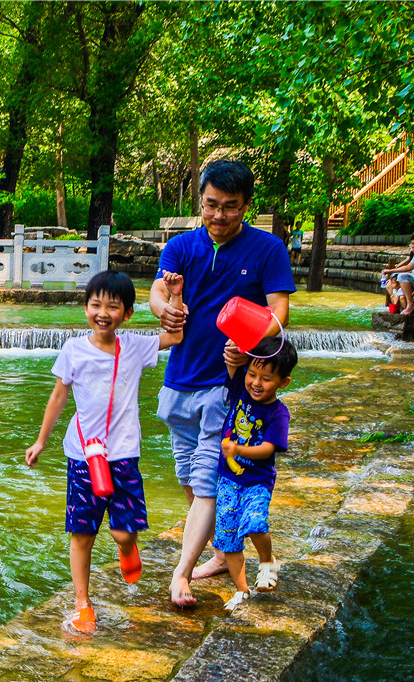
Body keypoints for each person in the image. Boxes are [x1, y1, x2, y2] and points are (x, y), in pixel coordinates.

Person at [150, 160, 295, 609]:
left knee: (208, 480)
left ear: (246, 205)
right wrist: (164, 310)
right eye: (211, 205)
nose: (219, 215)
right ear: (201, 201)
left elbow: (279, 313)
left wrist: (249, 342)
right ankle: (220, 552)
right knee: (191, 479)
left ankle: (181, 573)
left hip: (225, 385)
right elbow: (157, 291)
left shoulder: (267, 249)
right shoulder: (181, 246)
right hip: (178, 381)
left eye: (230, 208)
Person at [26, 271, 185, 632]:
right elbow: (58, 395)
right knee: (82, 532)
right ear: (85, 308)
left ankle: (127, 550)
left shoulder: (134, 347)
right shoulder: (73, 351)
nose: (102, 312)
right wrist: (41, 441)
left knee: (124, 532)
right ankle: (83, 603)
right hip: (83, 455)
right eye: (95, 304)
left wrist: (175, 295)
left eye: (112, 307)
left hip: (124, 454)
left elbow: (176, 335)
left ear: (126, 314)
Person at [215, 338, 296, 612]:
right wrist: (235, 345)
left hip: (256, 482)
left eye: (266, 378)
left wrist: (238, 448)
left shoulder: (278, 413)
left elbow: (268, 449)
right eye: (252, 374)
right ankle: (241, 590)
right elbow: (231, 360)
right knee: (228, 536)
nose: (256, 383)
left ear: (283, 382)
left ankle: (267, 561)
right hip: (228, 478)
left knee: (254, 522)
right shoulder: (240, 387)